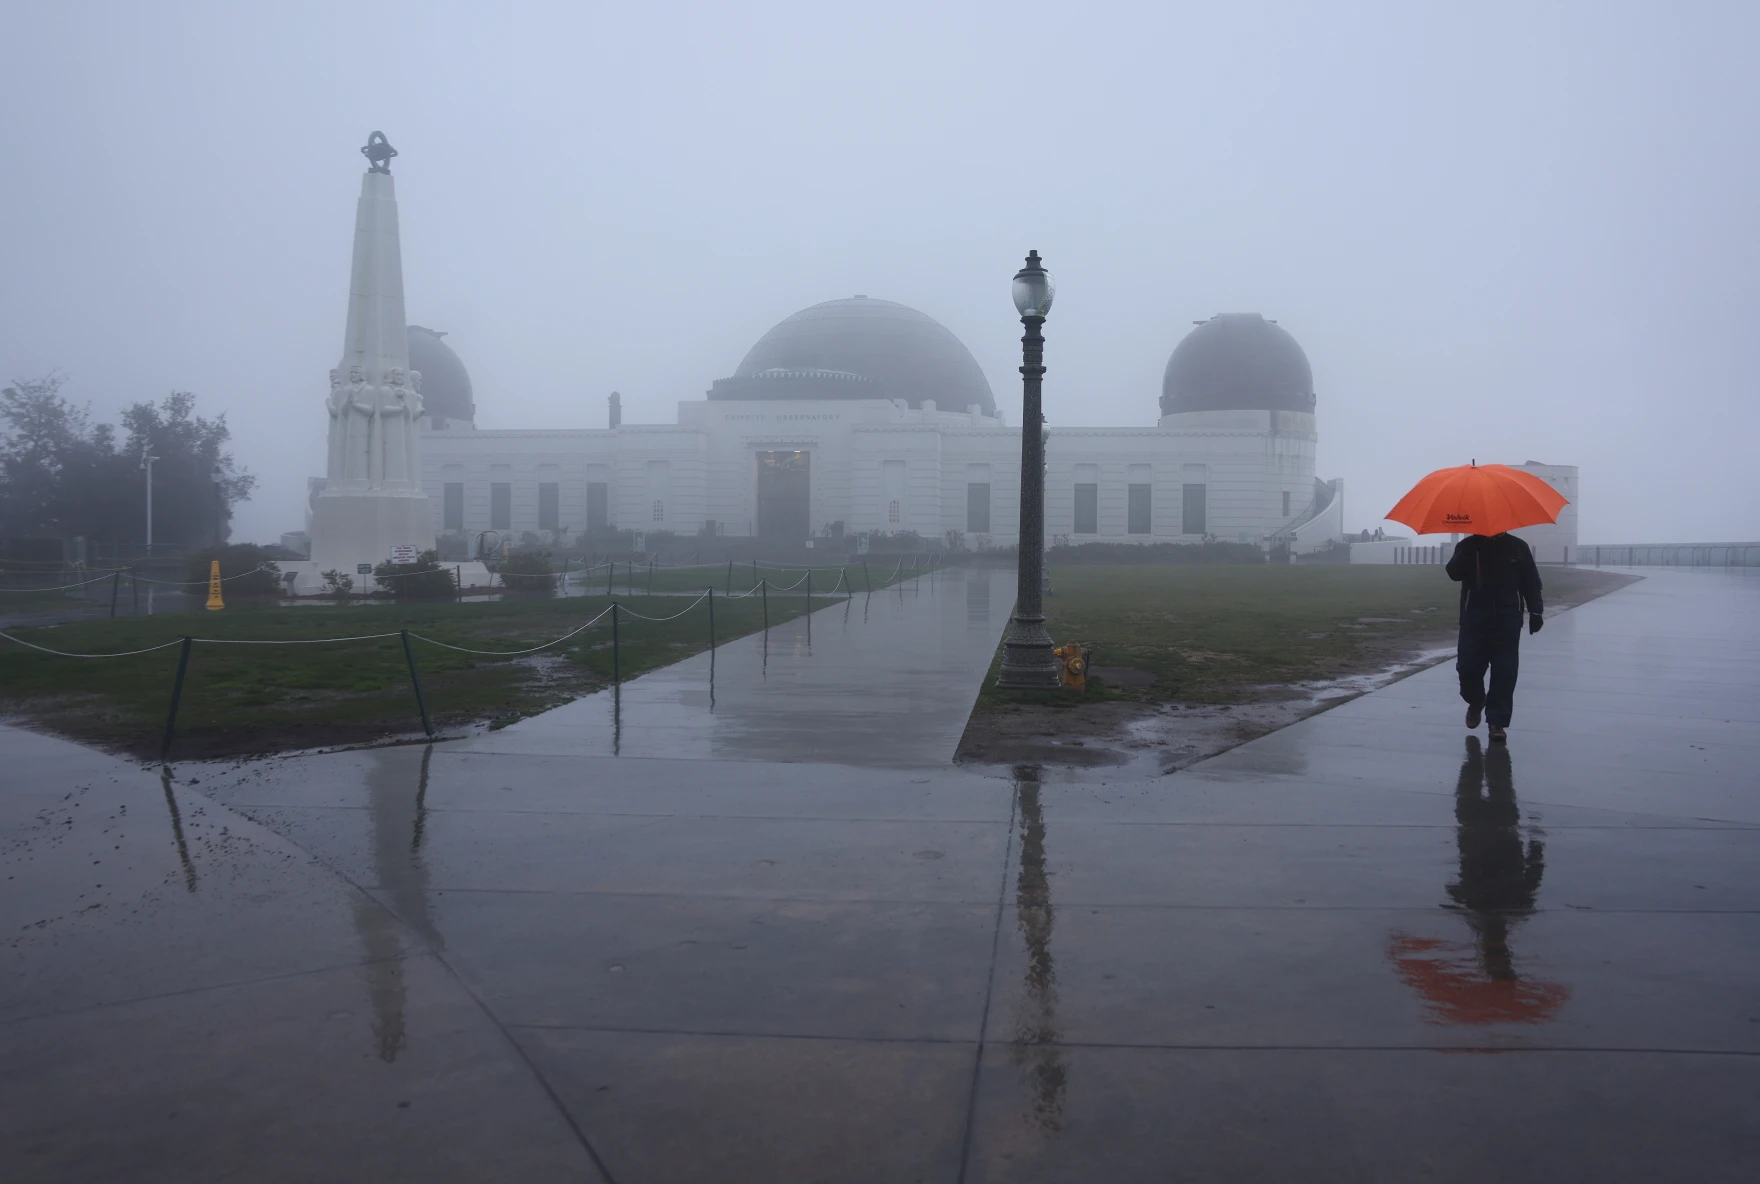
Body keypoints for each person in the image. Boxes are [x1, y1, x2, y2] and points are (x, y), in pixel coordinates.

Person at [1445, 531, 1543, 741]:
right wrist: (1467, 553)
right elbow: (1453, 573)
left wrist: (1536, 611)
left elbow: (1531, 582)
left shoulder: (1518, 547)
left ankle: (1497, 722)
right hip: (1474, 618)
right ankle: (1476, 700)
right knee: (1467, 668)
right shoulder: (1467, 545)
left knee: (1505, 671)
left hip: (1507, 619)